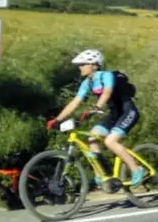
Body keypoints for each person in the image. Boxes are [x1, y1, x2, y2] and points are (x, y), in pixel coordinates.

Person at [45, 49, 145, 187]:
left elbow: (107, 92)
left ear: (94, 65)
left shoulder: (106, 75)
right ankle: (102, 174)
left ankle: (137, 169)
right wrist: (57, 119)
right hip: (115, 114)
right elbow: (75, 102)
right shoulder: (88, 82)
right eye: (79, 64)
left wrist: (97, 107)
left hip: (128, 111)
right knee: (92, 137)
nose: (80, 67)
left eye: (83, 64)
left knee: (110, 141)